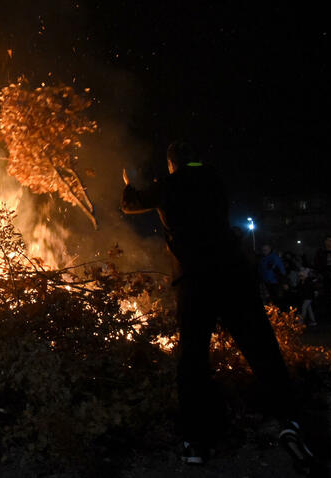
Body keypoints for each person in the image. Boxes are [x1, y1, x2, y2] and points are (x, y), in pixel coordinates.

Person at [121, 141, 314, 470]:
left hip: (196, 282)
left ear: (172, 164)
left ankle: (195, 441)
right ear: (198, 159)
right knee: (262, 349)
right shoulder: (214, 179)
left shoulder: (169, 184)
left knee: (193, 360)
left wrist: (128, 185)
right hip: (234, 276)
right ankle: (290, 421)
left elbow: (133, 204)